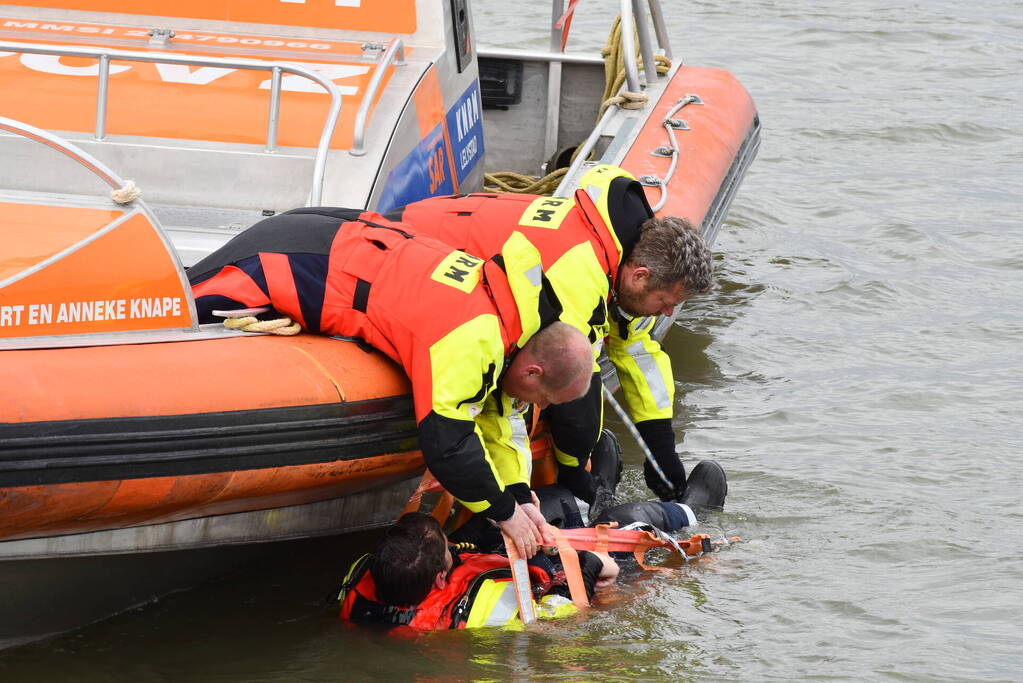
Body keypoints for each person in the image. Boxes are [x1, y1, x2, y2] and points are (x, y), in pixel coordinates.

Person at [188, 209, 596, 558]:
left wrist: (521, 498)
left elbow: (498, 421)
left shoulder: (519, 325)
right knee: (171, 312)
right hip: (291, 258)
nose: (532, 405)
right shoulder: (473, 337)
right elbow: (449, 443)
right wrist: (503, 513)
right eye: (540, 398)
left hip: (343, 234)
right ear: (533, 373)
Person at [381, 164, 715, 505]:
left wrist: (661, 450)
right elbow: (571, 385)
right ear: (640, 276)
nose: (668, 312)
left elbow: (638, 348)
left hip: (426, 231)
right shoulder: (576, 272)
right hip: (396, 249)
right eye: (665, 302)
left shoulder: (624, 247)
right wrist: (570, 472)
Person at [338, 433, 729, 631]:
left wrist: (501, 519)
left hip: (505, 564)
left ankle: (595, 491)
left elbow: (443, 551)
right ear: (441, 578)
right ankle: (693, 511)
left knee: (549, 501)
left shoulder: (368, 575)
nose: (449, 548)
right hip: (572, 580)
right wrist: (590, 564)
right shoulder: (479, 613)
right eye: (446, 550)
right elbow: (556, 615)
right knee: (628, 519)